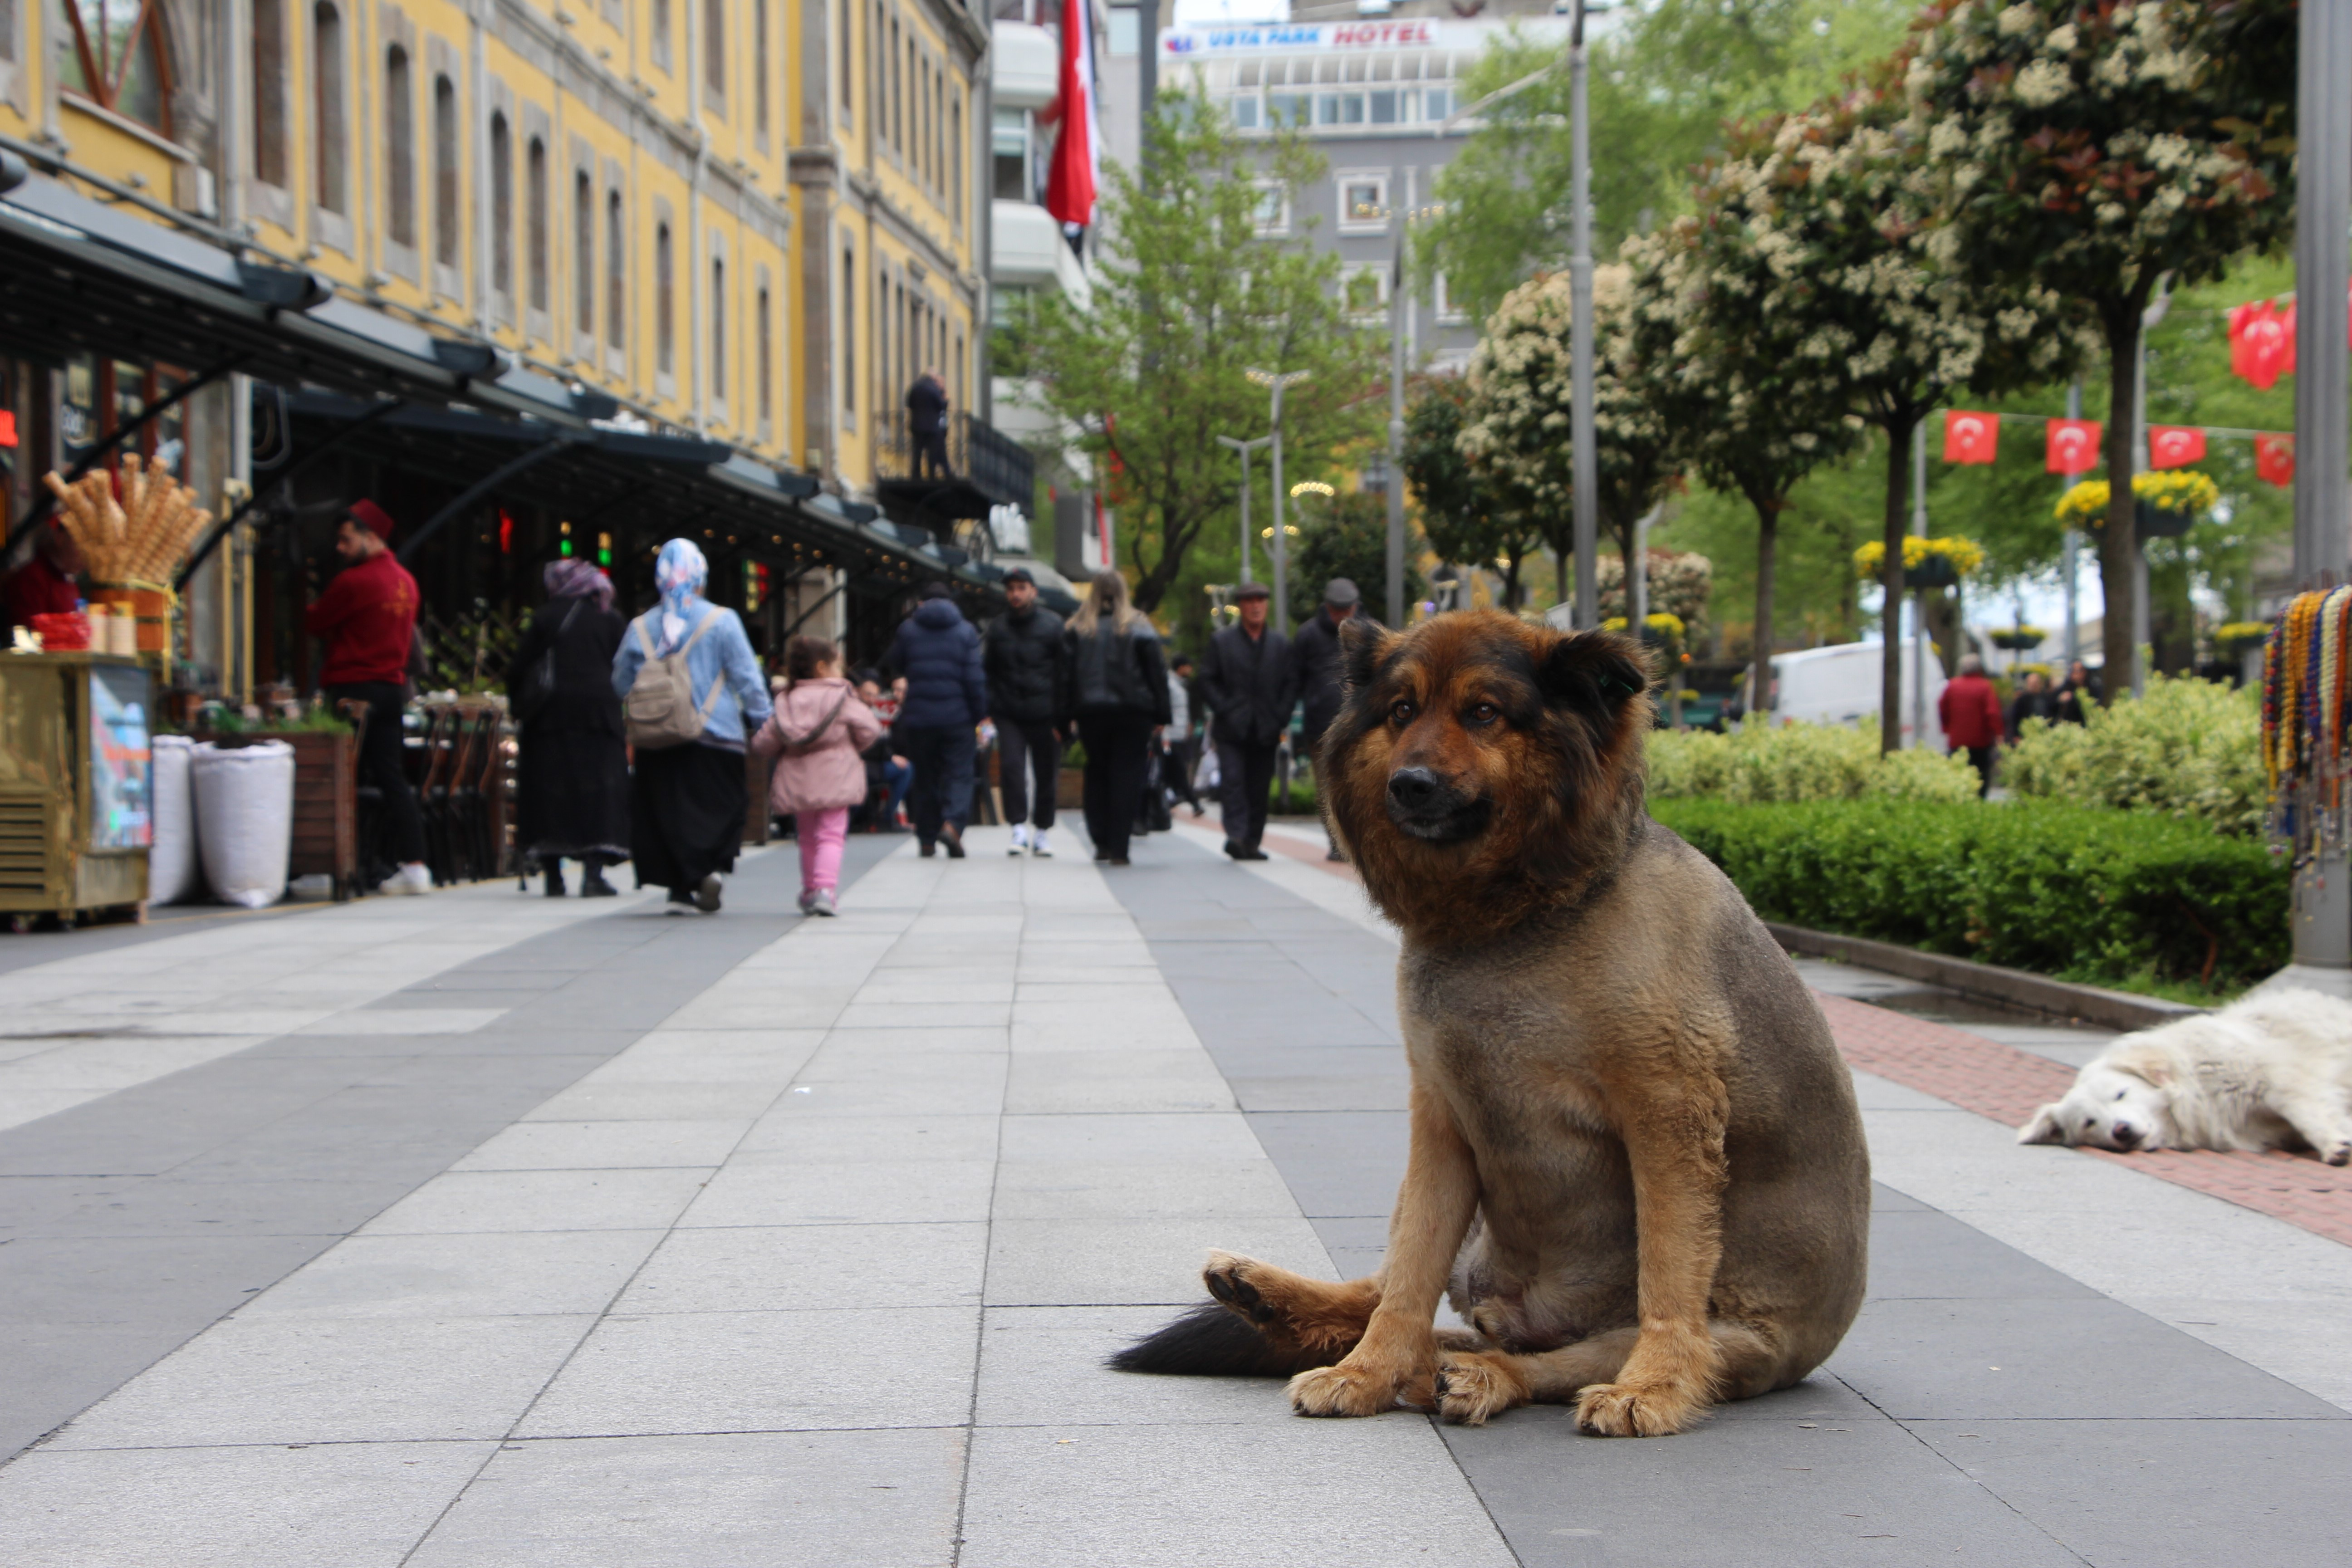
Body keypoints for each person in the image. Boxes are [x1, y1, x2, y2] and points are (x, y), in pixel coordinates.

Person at [612, 538, 772, 912]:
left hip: (658, 739)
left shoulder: (640, 627)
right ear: (700, 577)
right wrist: (765, 721)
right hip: (716, 737)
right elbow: (748, 678)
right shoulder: (722, 621)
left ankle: (680, 888)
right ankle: (710, 868)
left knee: (665, 815)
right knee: (721, 809)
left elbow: (620, 682)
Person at [304, 500, 431, 896]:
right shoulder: (407, 582)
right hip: (392, 690)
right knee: (393, 778)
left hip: (353, 691)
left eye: (347, 539)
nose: (340, 548)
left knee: (338, 778)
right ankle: (415, 865)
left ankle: (333, 866)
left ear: (370, 537)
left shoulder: (354, 582)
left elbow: (315, 621)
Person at [508, 559, 629, 897]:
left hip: (549, 720)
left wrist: (519, 707)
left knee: (551, 791)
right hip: (600, 718)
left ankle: (553, 875)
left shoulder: (545, 617)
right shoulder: (609, 617)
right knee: (598, 791)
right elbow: (628, 663)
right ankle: (593, 872)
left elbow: (519, 667)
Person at [752, 635, 884, 917]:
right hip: (836, 774)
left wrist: (784, 751)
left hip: (799, 778)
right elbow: (870, 729)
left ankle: (810, 890)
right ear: (823, 668)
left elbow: (763, 743)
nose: (841, 673)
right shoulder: (841, 696)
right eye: (839, 667)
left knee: (808, 836)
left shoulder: (786, 700)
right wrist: (850, 747)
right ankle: (826, 890)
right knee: (832, 836)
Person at [1060, 569, 1170, 867]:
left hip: (1091, 711)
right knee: (1127, 776)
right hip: (1134, 712)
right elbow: (1156, 674)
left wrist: (1064, 717)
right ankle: (1120, 847)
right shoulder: (1140, 627)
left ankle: (1101, 842)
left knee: (1097, 772)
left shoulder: (1078, 628)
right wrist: (1162, 713)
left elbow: (1066, 677)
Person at [884, 582, 985, 858]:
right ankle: (952, 826)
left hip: (920, 719)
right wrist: (980, 716)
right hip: (958, 719)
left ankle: (927, 840)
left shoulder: (909, 630)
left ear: (921, 604)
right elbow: (975, 679)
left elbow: (895, 660)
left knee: (926, 778)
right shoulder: (966, 631)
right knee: (960, 775)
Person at [1200, 580, 1295, 861]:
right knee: (1233, 781)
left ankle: (1252, 841)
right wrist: (1225, 707)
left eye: (1260, 600)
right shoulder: (1222, 642)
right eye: (1249, 601)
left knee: (1259, 786)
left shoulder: (1280, 644)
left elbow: (1291, 684)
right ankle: (1236, 836)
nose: (1255, 606)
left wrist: (1281, 715)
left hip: (1266, 728)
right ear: (1241, 607)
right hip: (1231, 728)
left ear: (1266, 605)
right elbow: (1206, 680)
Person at [984, 565, 1067, 858]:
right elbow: (989, 670)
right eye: (1011, 589)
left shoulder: (1054, 626)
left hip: (1046, 712)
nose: (1016, 594)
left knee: (1047, 773)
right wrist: (990, 706)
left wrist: (1064, 714)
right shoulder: (998, 628)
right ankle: (1018, 827)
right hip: (1009, 712)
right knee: (1011, 769)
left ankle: (1042, 831)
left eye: (1021, 588)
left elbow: (1065, 671)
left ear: (1034, 591)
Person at [1290, 577, 1372, 860]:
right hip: (1320, 725)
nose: (1342, 616)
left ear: (1356, 607)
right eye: (1337, 610)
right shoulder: (1307, 635)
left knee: (1360, 784)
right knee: (1327, 786)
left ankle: (1358, 843)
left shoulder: (1369, 632)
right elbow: (1295, 680)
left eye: (1347, 609)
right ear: (1327, 607)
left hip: (1360, 726)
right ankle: (1337, 843)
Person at [1937, 652, 2004, 797]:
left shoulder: (1952, 686)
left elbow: (1943, 708)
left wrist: (1947, 728)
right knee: (1981, 773)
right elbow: (1992, 713)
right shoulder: (1985, 687)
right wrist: (1998, 734)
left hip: (1957, 741)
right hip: (1980, 741)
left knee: (1958, 771)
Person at [854, 671, 913, 831]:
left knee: (906, 768)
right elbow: (871, 744)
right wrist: (890, 756)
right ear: (859, 691)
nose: (872, 699)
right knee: (906, 769)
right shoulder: (856, 711)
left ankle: (886, 817)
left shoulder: (869, 711)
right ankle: (886, 818)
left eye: (875, 695)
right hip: (860, 764)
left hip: (869, 762)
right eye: (868, 694)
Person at [3, 521, 83, 636]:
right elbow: (30, 633)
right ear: (60, 538)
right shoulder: (32, 578)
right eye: (79, 543)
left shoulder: (68, 580)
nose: (86, 553)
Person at [1163, 652, 1204, 818]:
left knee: (1170, 772)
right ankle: (1194, 803)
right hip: (1170, 737)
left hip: (1179, 735)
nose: (1191, 669)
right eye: (1188, 666)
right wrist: (1165, 737)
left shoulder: (1181, 685)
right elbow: (1165, 711)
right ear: (1181, 668)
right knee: (1179, 770)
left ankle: (1167, 802)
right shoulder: (1169, 685)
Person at [906, 366, 951, 479]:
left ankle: (916, 474)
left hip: (916, 424)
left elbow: (909, 403)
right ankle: (931, 474)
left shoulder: (915, 387)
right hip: (931, 426)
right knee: (932, 452)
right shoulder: (933, 388)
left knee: (917, 451)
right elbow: (940, 405)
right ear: (933, 377)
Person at [2006, 669, 2053, 741]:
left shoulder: (2046, 698)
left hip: (2044, 733)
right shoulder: (2022, 700)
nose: (2034, 686)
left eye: (2036, 683)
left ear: (2040, 684)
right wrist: (2016, 735)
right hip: (2026, 734)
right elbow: (2015, 718)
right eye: (2031, 683)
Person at [2052, 659, 2100, 725]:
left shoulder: (2092, 688)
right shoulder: (2065, 688)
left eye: (2080, 671)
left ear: (2085, 672)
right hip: (2070, 725)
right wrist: (2060, 700)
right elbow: (2052, 703)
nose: (2077, 674)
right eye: (2074, 671)